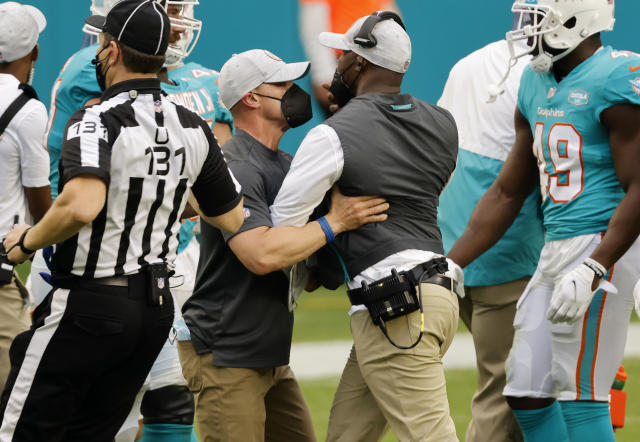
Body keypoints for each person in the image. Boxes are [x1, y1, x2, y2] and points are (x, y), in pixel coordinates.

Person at [0, 1, 243, 440]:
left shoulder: (96, 119)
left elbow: (80, 205)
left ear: (111, 50)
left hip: (90, 300)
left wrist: (26, 241)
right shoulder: (193, 125)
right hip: (155, 307)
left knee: (18, 431)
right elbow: (230, 215)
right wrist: (160, 198)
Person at [447, 1, 640, 441]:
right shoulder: (534, 83)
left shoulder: (617, 78)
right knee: (526, 391)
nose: (525, 31)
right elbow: (508, 190)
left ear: (576, 19)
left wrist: (597, 264)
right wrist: (452, 262)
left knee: (582, 394)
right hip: (556, 247)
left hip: (604, 243)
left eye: (537, 20)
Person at [178, 48, 389, 442]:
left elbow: (303, 268)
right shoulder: (236, 163)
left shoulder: (286, 163)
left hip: (269, 354)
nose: (295, 92)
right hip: (226, 353)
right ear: (252, 98)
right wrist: (336, 221)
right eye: (283, 85)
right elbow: (260, 255)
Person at [270, 12, 463, 442]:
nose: (336, 64)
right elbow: (421, 188)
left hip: (396, 303)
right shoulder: (443, 124)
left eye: (344, 56)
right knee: (347, 434)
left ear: (360, 64)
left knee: (431, 436)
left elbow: (283, 220)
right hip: (433, 293)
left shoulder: (336, 132)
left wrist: (333, 218)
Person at [436, 15, 544, 442]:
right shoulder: (540, 77)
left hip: (453, 237)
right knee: (506, 392)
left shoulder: (469, 62)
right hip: (504, 249)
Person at [0, 0, 50, 396]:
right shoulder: (28, 110)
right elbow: (39, 203)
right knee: (15, 395)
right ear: (32, 52)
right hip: (1, 272)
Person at [298, 0, 399, 116]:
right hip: (343, 67)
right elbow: (314, 28)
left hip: (373, 65)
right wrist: (326, 77)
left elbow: (390, 16)